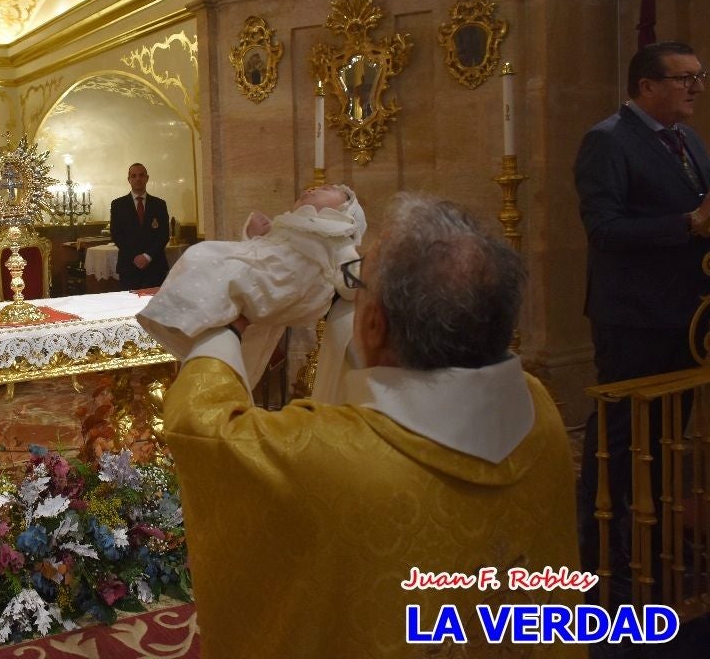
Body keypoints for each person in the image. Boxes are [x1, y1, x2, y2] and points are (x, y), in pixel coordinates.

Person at [162, 194, 581, 658]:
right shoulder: (540, 412)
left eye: (360, 283)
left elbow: (203, 427)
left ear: (375, 324)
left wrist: (226, 325)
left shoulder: (323, 459)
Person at [573, 40, 710, 590]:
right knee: (622, 445)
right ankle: (599, 557)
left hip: (686, 318)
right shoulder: (608, 142)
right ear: (646, 86)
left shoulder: (691, 142)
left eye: (699, 76)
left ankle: (651, 550)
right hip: (633, 318)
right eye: (683, 78)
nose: (695, 87)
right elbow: (604, 230)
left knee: (665, 444)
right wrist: (687, 224)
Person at [138, 184, 365, 391]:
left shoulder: (337, 234)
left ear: (343, 209)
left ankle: (193, 319)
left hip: (288, 283)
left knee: (212, 259)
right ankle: (189, 322)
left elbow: (350, 279)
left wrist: (362, 282)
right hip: (268, 275)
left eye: (325, 188)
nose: (311, 189)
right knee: (204, 257)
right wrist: (254, 234)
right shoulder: (289, 225)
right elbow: (258, 252)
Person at [109, 163, 169, 289]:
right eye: (134, 176)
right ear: (129, 179)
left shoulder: (159, 204)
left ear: (147, 178)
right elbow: (116, 234)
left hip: (155, 266)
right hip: (129, 266)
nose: (138, 179)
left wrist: (147, 256)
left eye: (141, 175)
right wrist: (135, 257)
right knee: (129, 306)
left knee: (155, 306)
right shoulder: (118, 205)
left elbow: (164, 235)